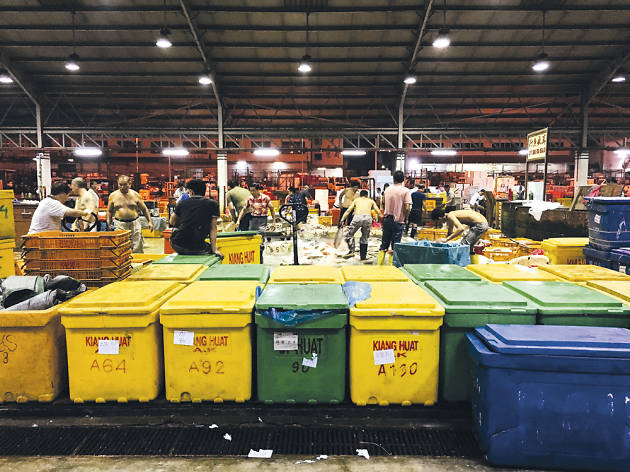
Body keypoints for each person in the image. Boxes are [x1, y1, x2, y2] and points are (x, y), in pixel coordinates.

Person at [169, 179, 223, 258]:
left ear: (191, 191)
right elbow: (213, 228)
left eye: (188, 191)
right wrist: (214, 249)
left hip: (177, 244)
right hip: (198, 247)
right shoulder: (213, 204)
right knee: (207, 246)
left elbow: (172, 221)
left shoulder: (182, 203)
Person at [107, 175, 153, 253]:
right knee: (121, 246)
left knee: (137, 246)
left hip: (135, 223)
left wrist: (150, 222)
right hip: (119, 224)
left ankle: (138, 262)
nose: (122, 187)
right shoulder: (113, 196)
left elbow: (144, 209)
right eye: (120, 184)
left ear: (129, 184)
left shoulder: (136, 195)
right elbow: (109, 211)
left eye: (125, 184)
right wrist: (108, 223)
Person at [378, 171, 411, 265]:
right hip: (398, 221)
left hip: (387, 219)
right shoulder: (406, 191)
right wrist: (406, 217)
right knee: (395, 245)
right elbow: (407, 207)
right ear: (403, 179)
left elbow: (383, 203)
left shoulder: (387, 190)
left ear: (393, 179)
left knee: (384, 243)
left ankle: (379, 266)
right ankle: (392, 268)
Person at [340, 189, 381, 261]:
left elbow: (348, 211)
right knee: (365, 237)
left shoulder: (357, 200)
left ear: (360, 195)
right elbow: (378, 211)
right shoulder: (371, 201)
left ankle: (351, 250)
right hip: (368, 218)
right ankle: (363, 256)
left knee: (349, 234)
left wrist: (342, 220)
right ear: (367, 195)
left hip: (358, 217)